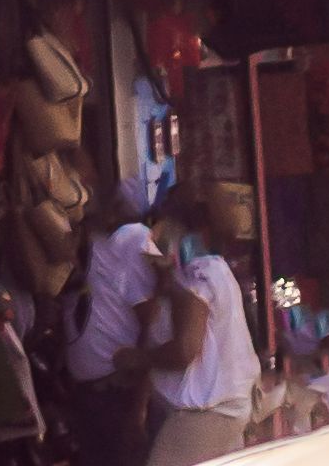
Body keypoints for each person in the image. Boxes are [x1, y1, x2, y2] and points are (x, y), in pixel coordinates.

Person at [142, 176, 261, 466]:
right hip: (224, 410)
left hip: (206, 413)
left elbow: (185, 349)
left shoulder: (200, 275)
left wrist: (136, 359)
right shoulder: (211, 271)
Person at [63, 186, 168, 466]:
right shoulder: (94, 247)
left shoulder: (132, 239)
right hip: (94, 396)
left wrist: (139, 407)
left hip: (118, 394)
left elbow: (152, 324)